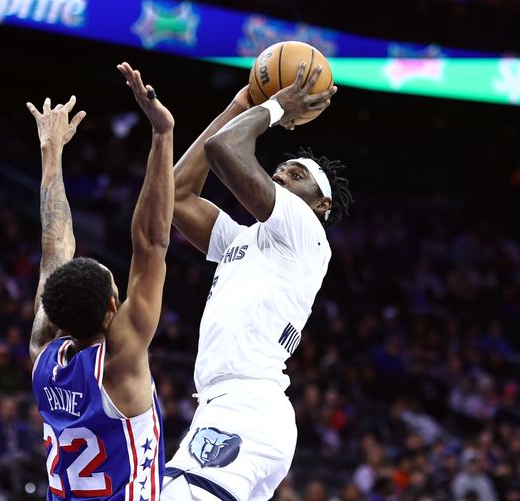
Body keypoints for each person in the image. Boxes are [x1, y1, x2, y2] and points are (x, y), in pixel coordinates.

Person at [162, 63, 352, 500]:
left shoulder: (305, 231)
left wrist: (271, 106)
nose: (282, 175)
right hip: (227, 408)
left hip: (247, 407)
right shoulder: (246, 238)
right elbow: (175, 196)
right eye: (282, 168)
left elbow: (225, 148)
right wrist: (239, 103)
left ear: (321, 202)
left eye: (297, 175)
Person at [26, 61, 173, 499]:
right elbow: (151, 242)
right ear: (114, 308)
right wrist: (162, 135)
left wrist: (51, 152)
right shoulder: (121, 358)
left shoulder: (42, 353)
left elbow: (55, 248)